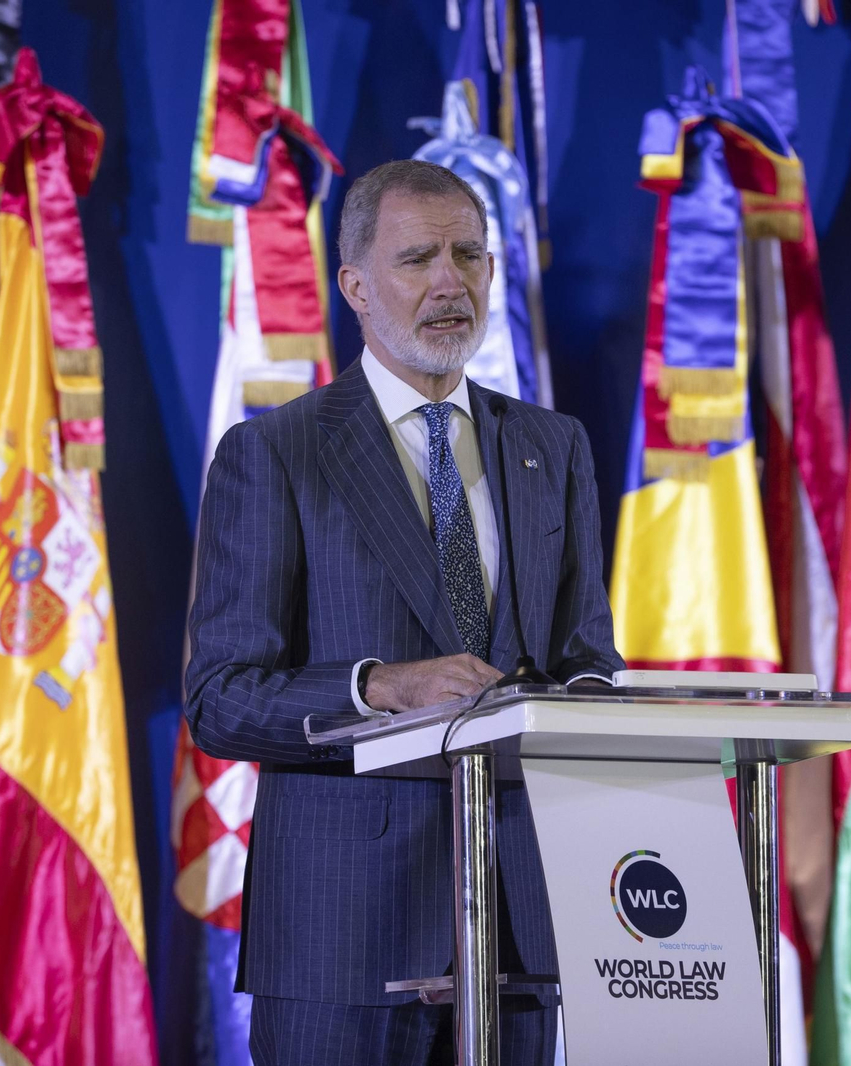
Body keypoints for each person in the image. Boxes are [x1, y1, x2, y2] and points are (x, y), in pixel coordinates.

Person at [184, 158, 624, 1065]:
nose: (449, 282)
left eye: (469, 255)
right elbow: (221, 697)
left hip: (523, 929)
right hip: (344, 936)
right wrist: (376, 687)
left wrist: (599, 703)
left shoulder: (554, 446)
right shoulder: (277, 454)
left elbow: (587, 658)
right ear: (354, 285)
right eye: (417, 258)